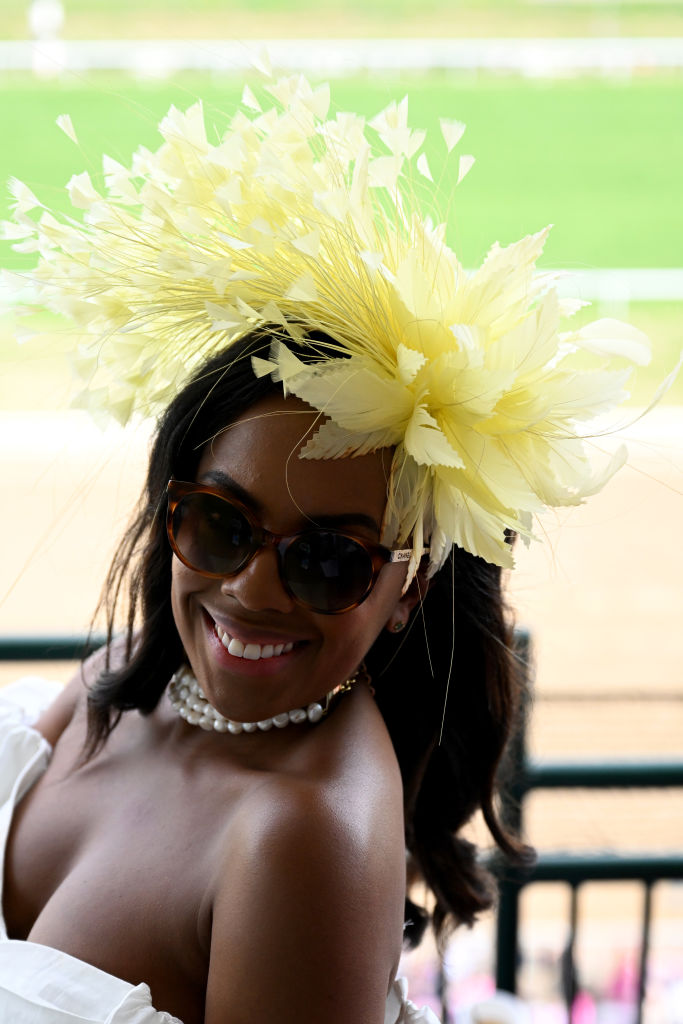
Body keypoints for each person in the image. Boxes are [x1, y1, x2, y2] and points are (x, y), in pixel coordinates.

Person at [0, 73, 647, 1023]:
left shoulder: (302, 836)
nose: (252, 589)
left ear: (410, 588)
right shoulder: (122, 676)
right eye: (219, 524)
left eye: (330, 559)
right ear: (167, 507)